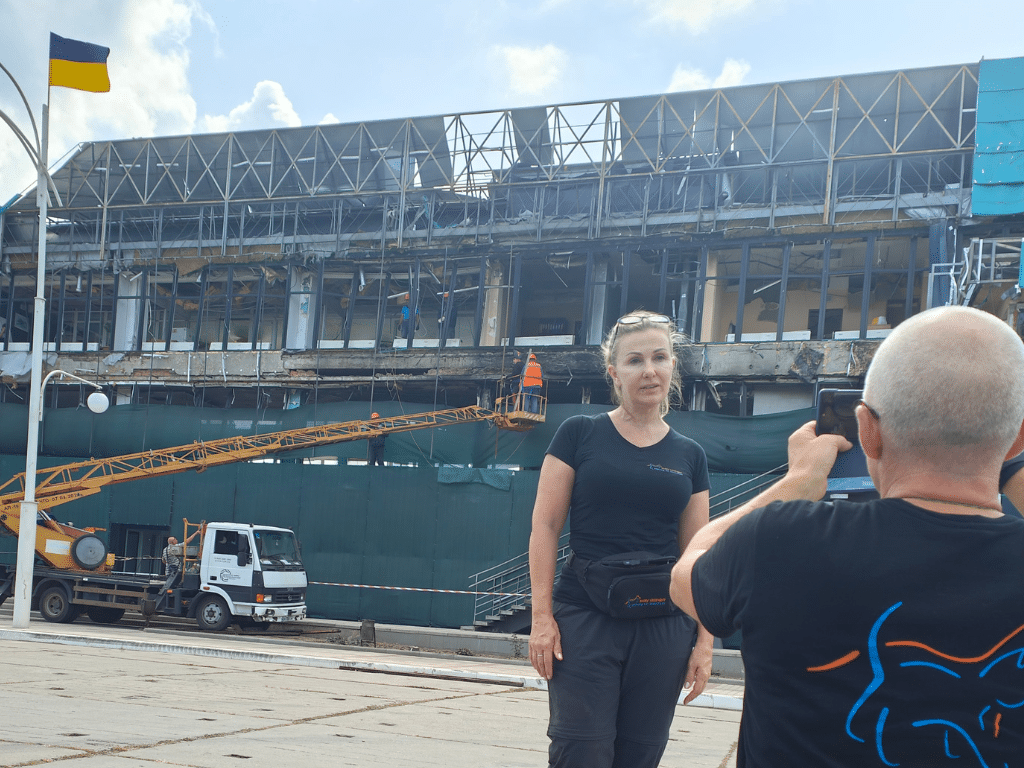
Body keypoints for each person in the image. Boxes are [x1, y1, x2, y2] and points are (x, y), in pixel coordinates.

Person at [670, 305, 1024, 767]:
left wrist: (797, 482)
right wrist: (999, 461)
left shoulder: (780, 540)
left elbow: (686, 574)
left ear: (868, 432)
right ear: (1018, 439)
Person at [528, 310, 714, 768]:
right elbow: (545, 527)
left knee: (641, 754)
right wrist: (541, 617)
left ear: (673, 366)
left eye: (659, 358)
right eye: (635, 360)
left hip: (663, 626)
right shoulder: (579, 434)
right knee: (581, 750)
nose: (649, 370)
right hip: (585, 620)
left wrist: (705, 642)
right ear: (614, 372)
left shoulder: (690, 455)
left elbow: (700, 554)